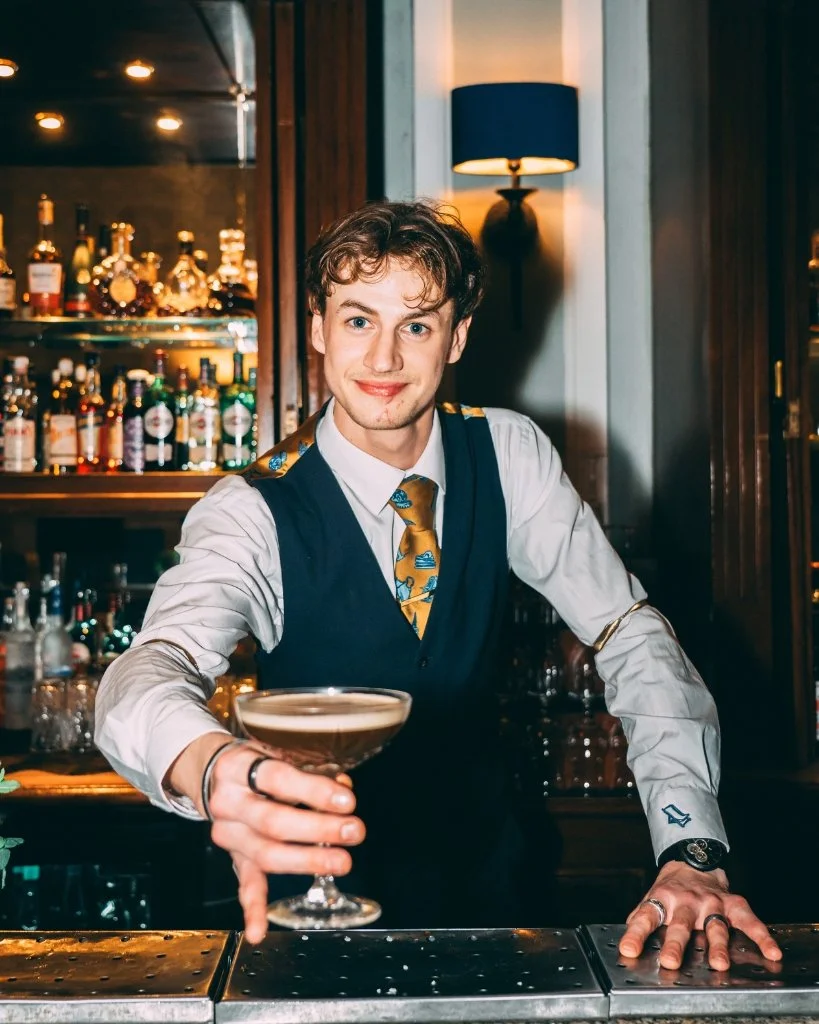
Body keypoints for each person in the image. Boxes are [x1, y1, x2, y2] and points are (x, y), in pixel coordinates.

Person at [96, 199, 780, 970]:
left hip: (494, 899)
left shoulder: (507, 453)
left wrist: (690, 846)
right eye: (358, 321)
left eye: (415, 325)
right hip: (307, 921)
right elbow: (149, 669)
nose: (383, 358)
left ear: (456, 337)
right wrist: (213, 766)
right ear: (317, 328)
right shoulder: (251, 508)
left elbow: (628, 633)